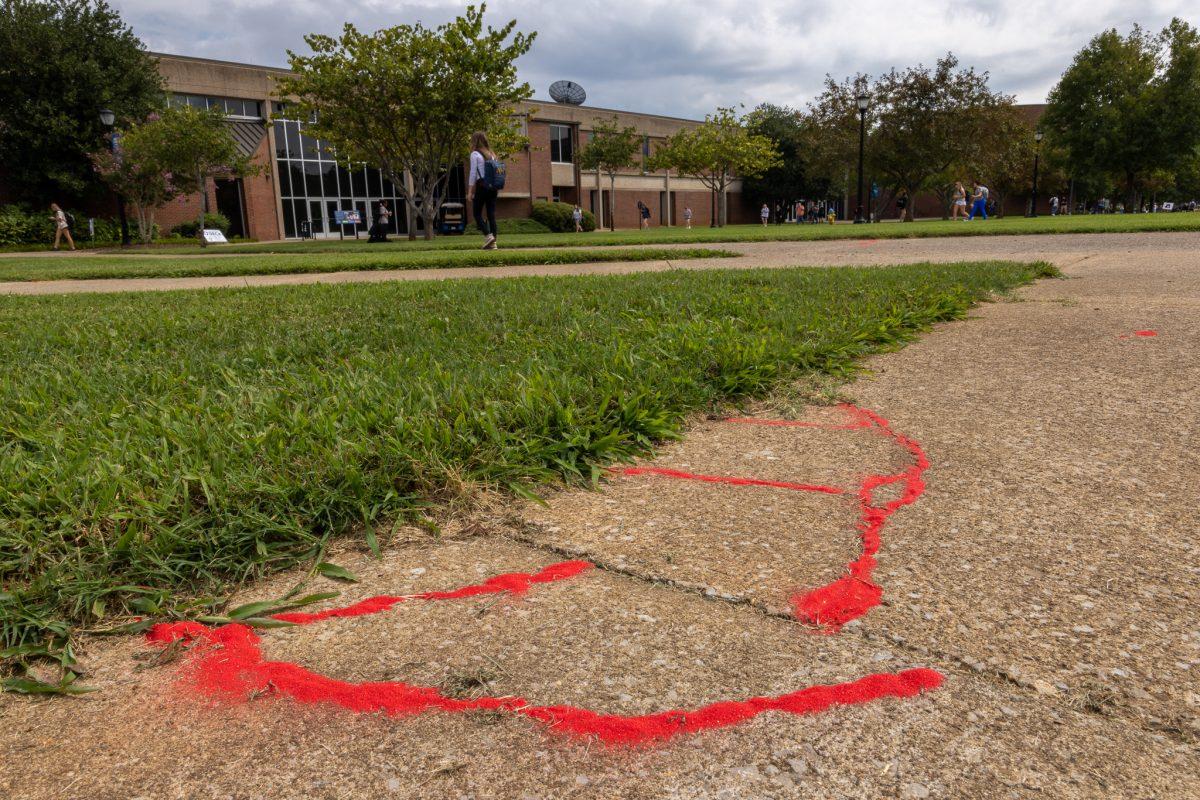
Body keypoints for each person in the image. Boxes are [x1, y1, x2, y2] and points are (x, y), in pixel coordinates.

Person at [467, 131, 499, 249]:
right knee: (491, 214)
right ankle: (493, 242)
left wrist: (470, 191)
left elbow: (473, 173)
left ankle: (488, 235)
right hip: (494, 187)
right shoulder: (492, 154)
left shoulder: (475, 154)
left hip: (482, 185)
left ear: (474, 141)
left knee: (476, 213)